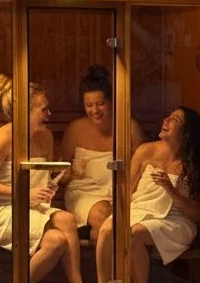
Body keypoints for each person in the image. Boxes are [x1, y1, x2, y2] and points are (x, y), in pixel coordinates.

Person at [0, 74, 96, 283]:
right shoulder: (2, 139)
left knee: (62, 230)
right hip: (3, 209)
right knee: (58, 236)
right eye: (43, 109)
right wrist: (25, 194)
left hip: (34, 207)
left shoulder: (46, 137)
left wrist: (66, 175)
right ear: (24, 112)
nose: (48, 114)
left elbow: (45, 178)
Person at [91, 107, 200, 283]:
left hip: (175, 220)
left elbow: (196, 213)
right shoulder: (146, 151)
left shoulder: (192, 163)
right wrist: (117, 214)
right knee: (107, 229)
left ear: (186, 131)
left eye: (175, 119)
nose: (166, 120)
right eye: (168, 116)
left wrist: (171, 190)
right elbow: (127, 190)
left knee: (134, 233)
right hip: (139, 209)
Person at [59, 64, 145, 242]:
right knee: (105, 214)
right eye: (89, 105)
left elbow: (144, 166)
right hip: (84, 193)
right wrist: (71, 172)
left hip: (122, 193)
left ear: (111, 101)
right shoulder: (75, 129)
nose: (95, 110)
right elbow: (59, 172)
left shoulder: (129, 127)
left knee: (109, 228)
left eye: (100, 104)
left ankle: (106, 268)